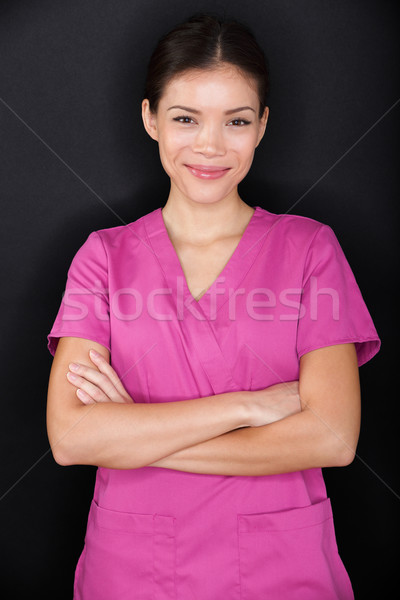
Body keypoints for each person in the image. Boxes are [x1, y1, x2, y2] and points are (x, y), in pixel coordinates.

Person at [46, 12, 380, 600]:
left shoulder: (310, 250)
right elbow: (73, 438)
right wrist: (251, 406)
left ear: (263, 125)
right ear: (150, 119)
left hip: (281, 567)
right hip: (132, 570)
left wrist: (137, 435)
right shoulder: (103, 258)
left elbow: (331, 438)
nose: (210, 145)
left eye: (236, 121)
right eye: (185, 118)